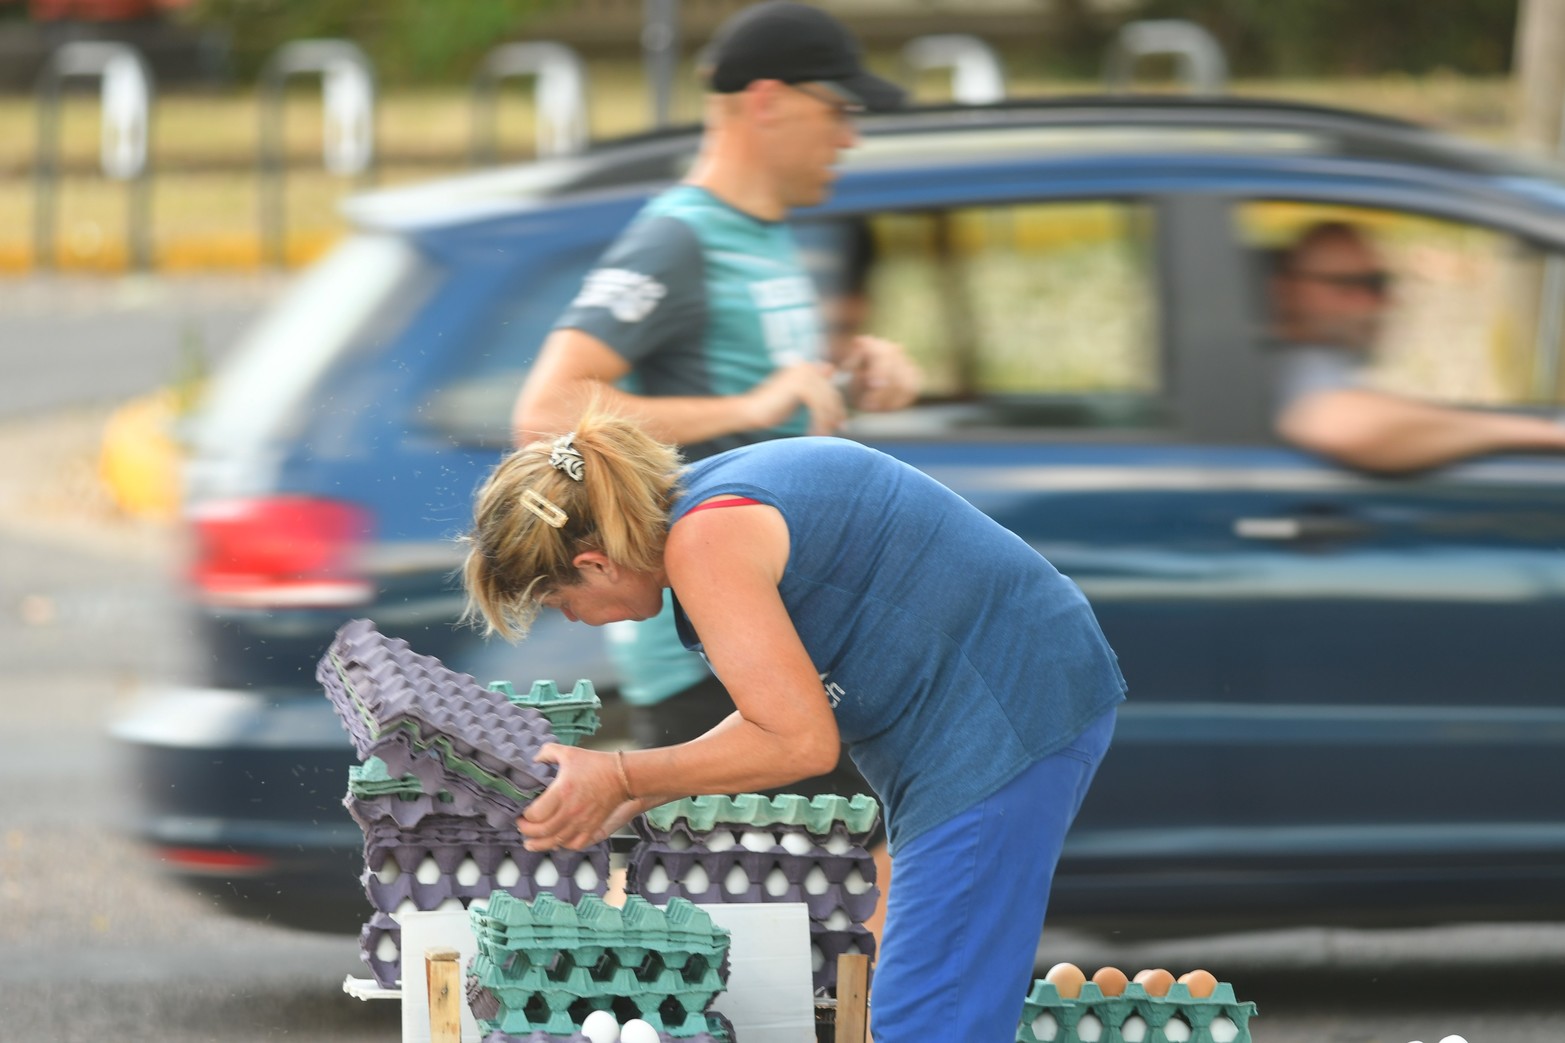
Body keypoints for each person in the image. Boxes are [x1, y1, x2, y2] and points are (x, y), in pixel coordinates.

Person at [460, 409, 1125, 1043]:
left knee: (929, 1019)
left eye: (558, 602)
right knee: (930, 1007)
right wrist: (632, 792)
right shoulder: (707, 505)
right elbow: (775, 711)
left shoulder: (707, 541)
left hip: (999, 714)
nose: (572, 620)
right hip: (990, 701)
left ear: (594, 564)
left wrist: (623, 773)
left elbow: (798, 741)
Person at [510, 0, 921, 933]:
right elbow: (545, 406)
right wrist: (748, 407)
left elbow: (764, 400)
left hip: (774, 634)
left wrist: (850, 371)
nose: (850, 135)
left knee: (864, 925)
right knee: (847, 934)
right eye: (838, 108)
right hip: (710, 657)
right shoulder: (678, 236)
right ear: (767, 102)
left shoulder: (765, 234)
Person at [1271, 220, 1565, 472]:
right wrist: (1546, 433)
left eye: (1381, 283)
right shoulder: (1290, 362)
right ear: (1286, 290)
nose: (1380, 303)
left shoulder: (1324, 358)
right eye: (1350, 284)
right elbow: (1332, 421)